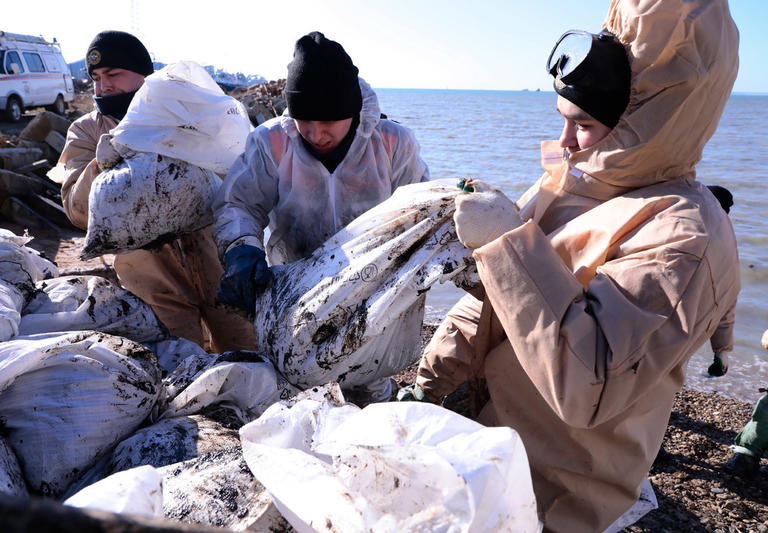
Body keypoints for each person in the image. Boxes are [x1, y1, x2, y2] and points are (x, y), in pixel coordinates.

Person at [400, 1, 739, 531]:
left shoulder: (686, 235)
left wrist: (508, 241)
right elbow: (493, 301)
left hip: (564, 493)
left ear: (642, 122)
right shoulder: (569, 180)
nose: (562, 143)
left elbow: (588, 388)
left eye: (582, 124)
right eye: (561, 119)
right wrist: (433, 375)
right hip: (495, 445)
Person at [213, 31, 429, 402]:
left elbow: (422, 210)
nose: (315, 134)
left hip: (373, 283)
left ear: (353, 109)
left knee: (368, 371)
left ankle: (376, 399)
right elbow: (239, 204)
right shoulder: (271, 143)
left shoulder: (393, 143)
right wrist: (242, 246)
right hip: (297, 282)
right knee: (302, 377)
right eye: (304, 120)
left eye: (329, 120)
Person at [53, 30, 255, 353]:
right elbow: (76, 210)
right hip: (152, 285)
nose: (103, 86)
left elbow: (231, 172)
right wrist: (100, 166)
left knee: (248, 355)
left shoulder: (183, 113)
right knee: (179, 369)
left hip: (219, 268)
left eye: (113, 75)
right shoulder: (86, 131)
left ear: (143, 76)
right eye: (95, 78)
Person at [706, 184, 736, 377]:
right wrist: (722, 350)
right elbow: (727, 295)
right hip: (685, 328)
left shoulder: (670, 223)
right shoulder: (724, 242)